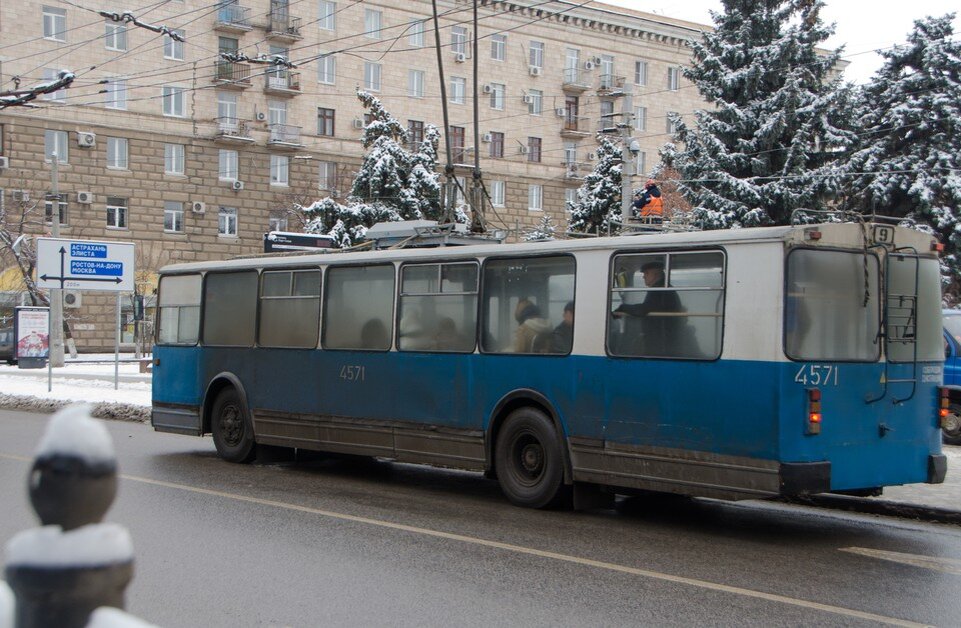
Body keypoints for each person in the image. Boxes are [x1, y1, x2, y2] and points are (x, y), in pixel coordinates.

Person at [612, 260, 681, 356]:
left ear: (656, 274)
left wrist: (622, 308)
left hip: (662, 342)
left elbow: (643, 309)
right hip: (664, 338)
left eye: (647, 273)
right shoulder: (663, 287)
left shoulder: (660, 289)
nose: (644, 276)